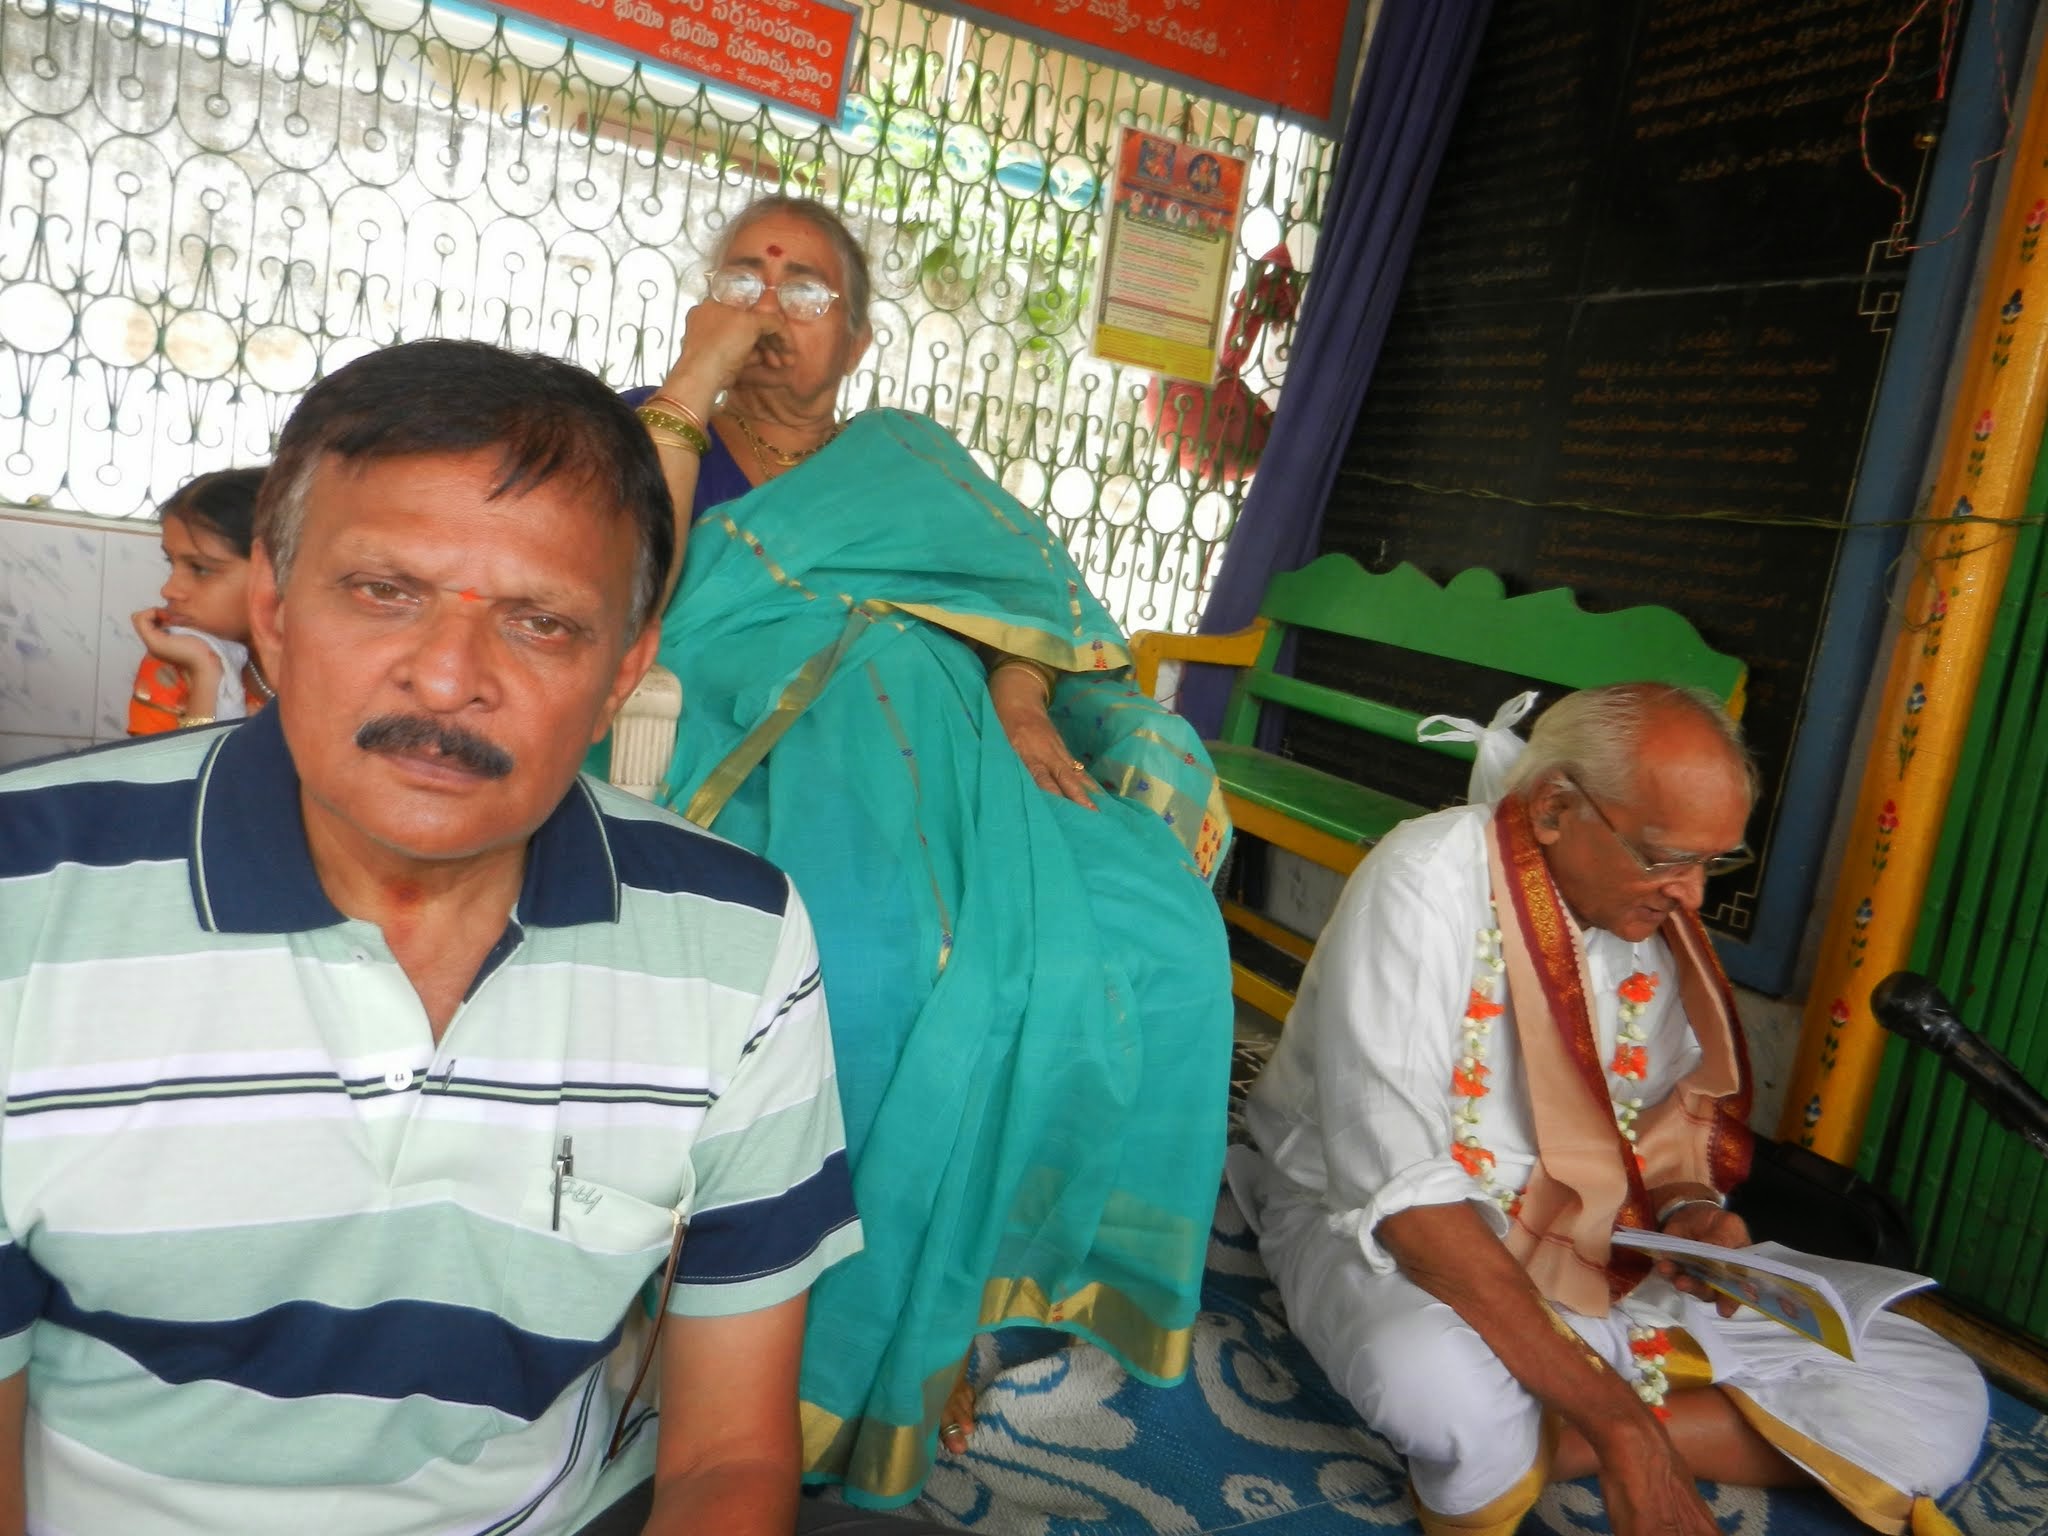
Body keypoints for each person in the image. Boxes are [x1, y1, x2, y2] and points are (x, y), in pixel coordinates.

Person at [0, 339, 883, 1535]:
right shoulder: (24, 896)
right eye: (384, 592)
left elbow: (725, 1454)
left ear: (622, 670)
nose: (447, 677)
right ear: (274, 611)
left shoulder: (735, 937)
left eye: (541, 623)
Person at [621, 195, 1233, 1509]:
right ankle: (794, 1324)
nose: (771, 304)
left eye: (806, 289)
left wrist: (1022, 698)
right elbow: (628, 594)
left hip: (951, 740)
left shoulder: (908, 458)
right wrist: (691, 384)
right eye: (745, 275)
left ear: (856, 340)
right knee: (886, 960)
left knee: (1145, 945)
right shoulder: (649, 425)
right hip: (743, 733)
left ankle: (930, 1312)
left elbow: (1024, 600)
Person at [1227, 684, 1987, 1536]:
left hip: (1594, 1247)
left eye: (1714, 864)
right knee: (1430, 1384)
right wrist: (1630, 1431)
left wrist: (1689, 1209)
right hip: (1390, 1231)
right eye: (1665, 859)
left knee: (1938, 1389)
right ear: (1555, 808)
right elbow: (1402, 1196)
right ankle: (1595, 1413)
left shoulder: (1646, 925)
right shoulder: (1426, 879)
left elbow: (1658, 1123)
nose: (1691, 897)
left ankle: (1554, 1434)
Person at [128, 466, 274, 733]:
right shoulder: (176, 657)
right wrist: (206, 671)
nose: (169, 590)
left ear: (277, 573)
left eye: (200, 569)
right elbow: (183, 761)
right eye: (171, 563)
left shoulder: (335, 667)